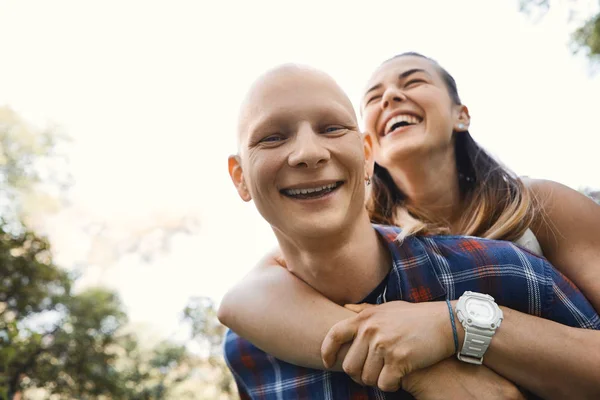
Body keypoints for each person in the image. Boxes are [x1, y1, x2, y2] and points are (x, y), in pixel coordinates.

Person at [221, 63, 600, 399]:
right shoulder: (334, 232)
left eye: (413, 81)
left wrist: (455, 324)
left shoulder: (533, 211)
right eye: (373, 97)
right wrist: (422, 369)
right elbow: (246, 298)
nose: (391, 97)